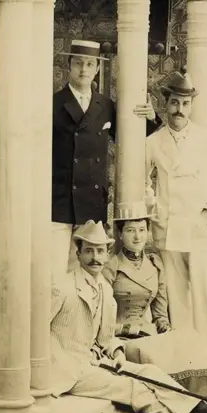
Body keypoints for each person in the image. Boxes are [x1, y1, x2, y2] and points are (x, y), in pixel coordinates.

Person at [50, 220, 207, 413]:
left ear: (106, 253)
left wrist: (118, 354)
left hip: (94, 361)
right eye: (89, 250)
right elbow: (36, 330)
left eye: (100, 251)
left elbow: (106, 339)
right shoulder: (62, 287)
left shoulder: (104, 290)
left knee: (149, 372)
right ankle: (202, 412)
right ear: (78, 253)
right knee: (132, 387)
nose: (95, 257)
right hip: (66, 369)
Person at [145, 70, 207, 377]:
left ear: (191, 106)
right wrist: (152, 205)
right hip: (167, 234)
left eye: (185, 104)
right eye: (174, 103)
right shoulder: (153, 142)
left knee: (205, 305)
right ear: (165, 104)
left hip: (199, 234)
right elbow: (141, 183)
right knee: (177, 308)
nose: (179, 110)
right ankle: (186, 374)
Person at [102, 200, 207, 402]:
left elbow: (159, 315)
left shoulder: (155, 265)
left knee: (188, 342)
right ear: (121, 234)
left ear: (148, 232)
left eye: (142, 229)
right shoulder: (111, 266)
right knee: (159, 359)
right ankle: (203, 404)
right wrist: (123, 330)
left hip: (148, 333)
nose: (137, 236)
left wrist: (167, 330)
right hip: (123, 339)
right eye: (130, 230)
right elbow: (101, 319)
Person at [52, 39, 160, 281]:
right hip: (59, 202)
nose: (83, 70)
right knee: (56, 272)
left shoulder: (105, 105)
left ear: (97, 69)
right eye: (78, 63)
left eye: (89, 64)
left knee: (88, 271)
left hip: (91, 202)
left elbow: (136, 137)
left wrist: (151, 118)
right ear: (68, 65)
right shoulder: (53, 104)